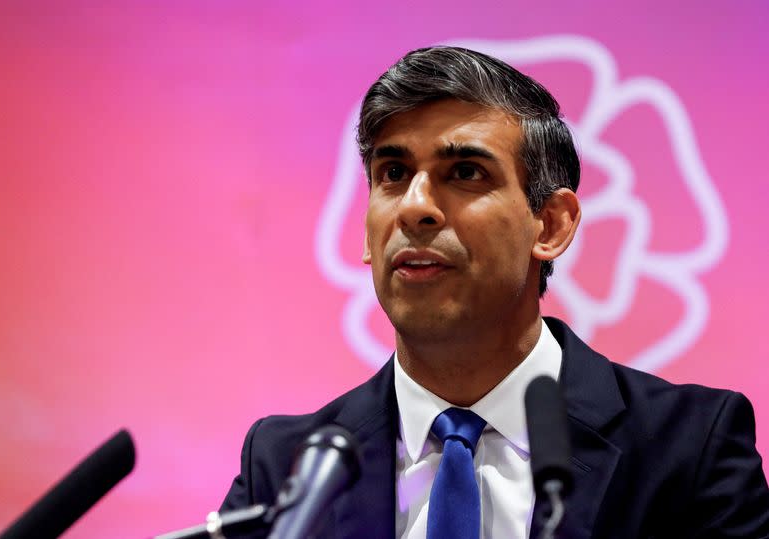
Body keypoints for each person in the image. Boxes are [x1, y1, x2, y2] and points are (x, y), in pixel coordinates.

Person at [220, 47, 769, 538]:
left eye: (464, 171)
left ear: (551, 225)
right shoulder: (286, 466)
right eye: (393, 172)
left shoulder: (689, 448)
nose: (413, 207)